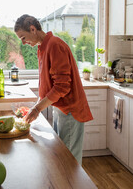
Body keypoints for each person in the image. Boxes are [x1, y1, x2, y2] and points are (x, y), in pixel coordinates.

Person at [14, 14, 93, 164]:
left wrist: (37, 109)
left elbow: (62, 87)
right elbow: (47, 82)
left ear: (33, 29)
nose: (23, 43)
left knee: (69, 160)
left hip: (70, 110)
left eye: (23, 37)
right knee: (61, 155)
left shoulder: (55, 45)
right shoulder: (43, 47)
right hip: (61, 108)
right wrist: (35, 107)